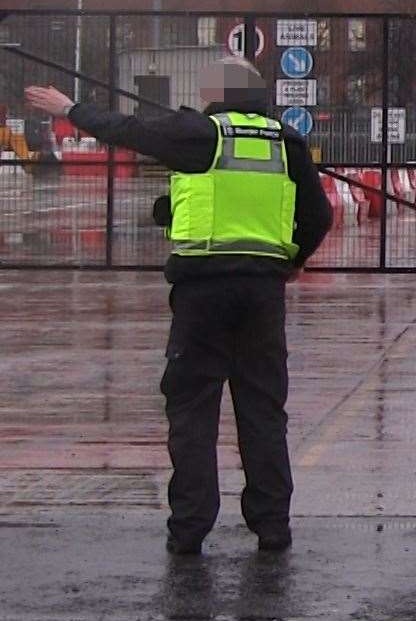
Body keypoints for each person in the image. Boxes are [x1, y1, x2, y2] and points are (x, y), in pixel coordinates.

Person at [24, 57, 332, 556]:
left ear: (216, 92)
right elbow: (318, 215)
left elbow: (129, 130)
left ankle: (190, 528)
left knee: (192, 409)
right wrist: (293, 259)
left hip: (202, 292)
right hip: (262, 293)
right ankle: (272, 526)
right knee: (262, 410)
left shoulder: (199, 134)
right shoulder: (286, 142)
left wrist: (71, 108)